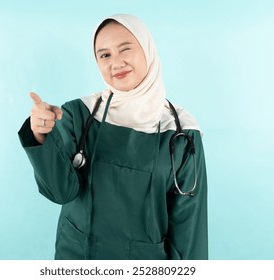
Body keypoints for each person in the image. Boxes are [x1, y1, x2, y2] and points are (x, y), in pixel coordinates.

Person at [18, 14, 208, 260]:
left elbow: (189, 230)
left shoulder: (182, 133)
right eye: (104, 55)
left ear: (148, 51)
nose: (115, 63)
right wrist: (40, 134)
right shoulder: (79, 114)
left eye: (125, 49)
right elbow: (60, 192)